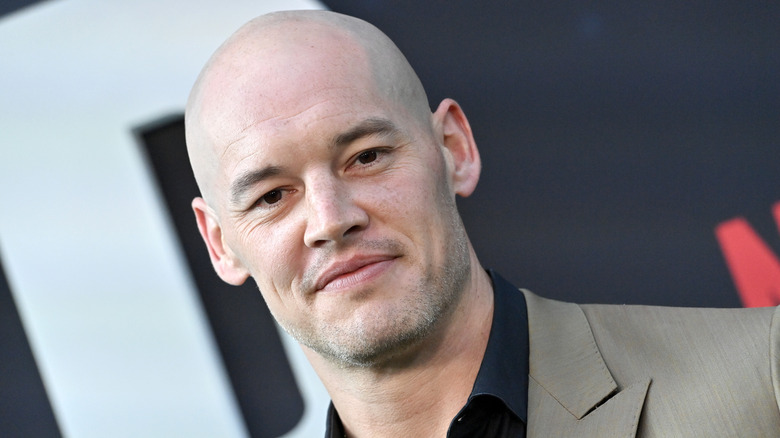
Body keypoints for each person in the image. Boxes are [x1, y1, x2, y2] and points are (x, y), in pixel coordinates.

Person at [184, 10, 780, 437]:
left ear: (454, 148)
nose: (331, 220)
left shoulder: (762, 379)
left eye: (366, 157)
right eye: (271, 196)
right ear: (220, 244)